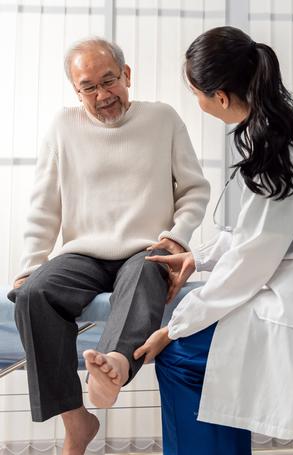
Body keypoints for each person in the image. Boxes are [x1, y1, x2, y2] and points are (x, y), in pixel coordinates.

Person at [133, 26, 293, 454]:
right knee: (196, 343)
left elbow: (253, 258)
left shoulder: (280, 146)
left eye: (195, 93)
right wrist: (199, 256)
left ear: (220, 97)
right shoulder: (282, 125)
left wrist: (173, 329)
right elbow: (253, 234)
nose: (195, 103)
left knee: (180, 358)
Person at [7, 37, 210, 455]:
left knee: (142, 272)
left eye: (110, 80)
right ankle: (76, 420)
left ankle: (115, 363)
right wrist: (31, 264)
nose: (103, 95)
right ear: (75, 91)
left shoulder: (162, 119)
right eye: (89, 87)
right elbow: (45, 204)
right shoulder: (63, 127)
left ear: (127, 75)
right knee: (33, 294)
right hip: (83, 253)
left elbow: (194, 190)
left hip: (146, 247)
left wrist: (176, 236)